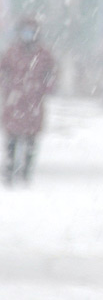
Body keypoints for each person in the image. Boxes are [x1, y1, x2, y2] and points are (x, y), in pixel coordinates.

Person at [0, 16, 57, 186]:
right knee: (12, 138)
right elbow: (3, 71)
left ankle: (26, 171)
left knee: (31, 139)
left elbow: (51, 74)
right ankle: (10, 169)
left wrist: (45, 88)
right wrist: (7, 87)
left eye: (31, 31)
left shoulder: (43, 55)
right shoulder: (12, 52)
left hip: (34, 103)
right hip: (14, 102)